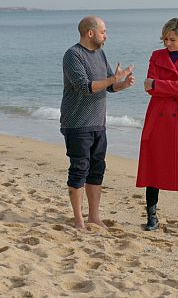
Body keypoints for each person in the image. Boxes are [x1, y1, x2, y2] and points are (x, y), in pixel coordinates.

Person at [61, 15, 134, 230]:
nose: (106, 36)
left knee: (96, 170)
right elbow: (85, 87)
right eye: (103, 32)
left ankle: (94, 217)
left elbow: (109, 86)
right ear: (90, 33)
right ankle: (78, 220)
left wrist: (122, 84)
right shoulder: (73, 55)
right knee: (79, 170)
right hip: (77, 123)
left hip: (98, 123)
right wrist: (112, 80)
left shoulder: (100, 54)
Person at [136, 17, 178, 233]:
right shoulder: (156, 56)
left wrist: (159, 84)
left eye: (172, 39)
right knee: (153, 165)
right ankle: (152, 216)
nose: (168, 43)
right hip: (158, 117)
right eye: (165, 39)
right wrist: (173, 83)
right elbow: (149, 88)